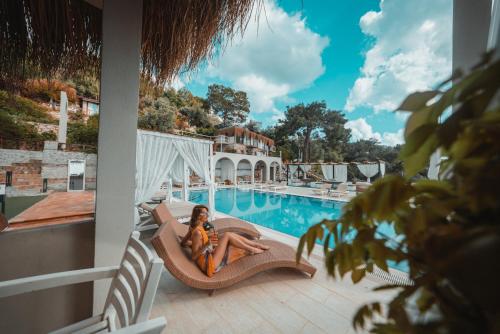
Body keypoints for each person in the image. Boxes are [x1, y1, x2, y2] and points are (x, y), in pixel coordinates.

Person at [180, 205, 269, 277]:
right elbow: (193, 257)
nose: (208, 215)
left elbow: (183, 242)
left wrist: (191, 243)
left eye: (207, 212)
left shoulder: (194, 228)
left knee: (229, 235)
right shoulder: (197, 233)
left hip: (210, 254)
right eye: (205, 213)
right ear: (199, 216)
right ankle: (252, 248)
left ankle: (254, 244)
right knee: (227, 235)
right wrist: (206, 245)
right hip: (209, 264)